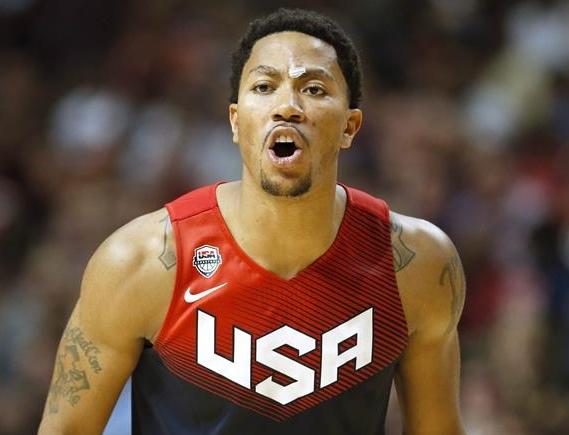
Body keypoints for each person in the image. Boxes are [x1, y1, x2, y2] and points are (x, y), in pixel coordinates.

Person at [37, 8, 466, 435]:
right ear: (236, 121)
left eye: (314, 89)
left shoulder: (416, 265)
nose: (287, 107)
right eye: (264, 86)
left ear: (350, 127)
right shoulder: (140, 261)